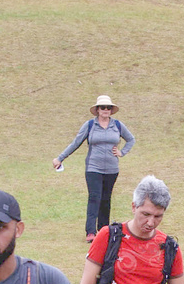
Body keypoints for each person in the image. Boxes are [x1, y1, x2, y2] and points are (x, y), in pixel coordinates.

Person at [53, 96, 136, 242]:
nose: (105, 110)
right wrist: (60, 158)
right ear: (97, 109)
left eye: (108, 107)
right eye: (102, 107)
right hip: (93, 168)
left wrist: (121, 152)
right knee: (94, 197)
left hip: (112, 169)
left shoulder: (117, 125)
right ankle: (91, 232)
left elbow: (131, 139)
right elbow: (76, 143)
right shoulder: (90, 125)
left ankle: (104, 231)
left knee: (106, 199)